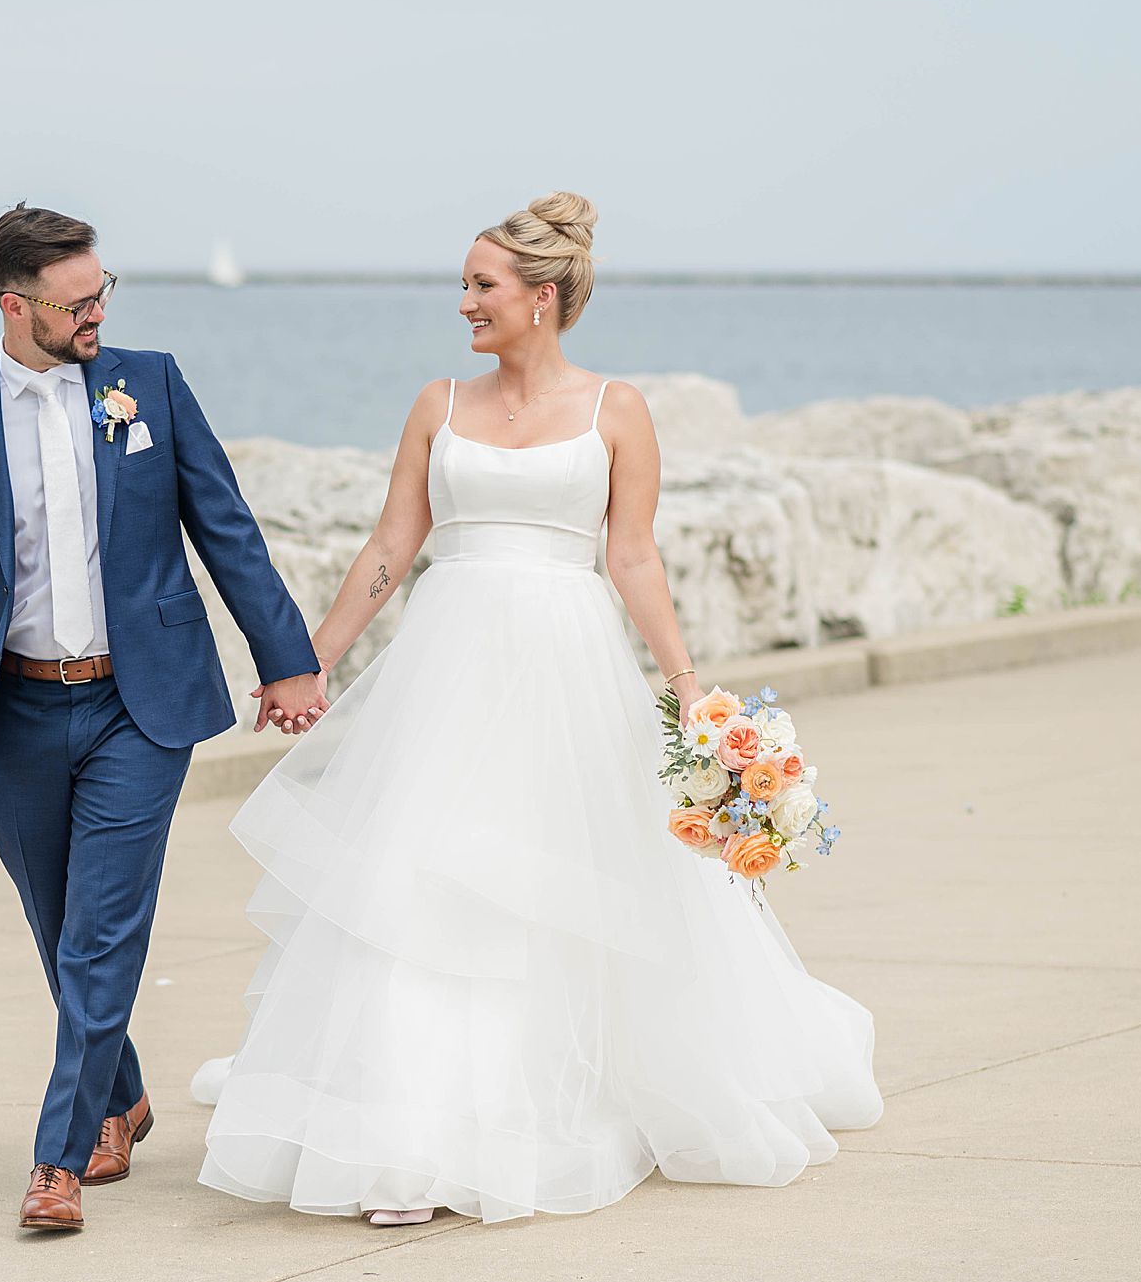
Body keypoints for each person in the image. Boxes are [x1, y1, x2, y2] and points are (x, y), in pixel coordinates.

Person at [191, 191, 884, 1227]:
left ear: (542, 297)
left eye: (482, 286)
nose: (463, 302)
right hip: (445, 668)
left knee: (547, 883)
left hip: (565, 671)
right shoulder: (438, 403)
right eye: (465, 284)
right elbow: (392, 544)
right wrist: (308, 663)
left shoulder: (617, 411)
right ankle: (408, 1138)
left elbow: (631, 554)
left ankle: (539, 1111)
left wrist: (688, 688)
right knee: (421, 884)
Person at [0, 203, 329, 1233]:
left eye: (104, 291)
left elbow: (225, 528)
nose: (97, 311)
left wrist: (287, 661)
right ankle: (121, 1095)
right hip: (14, 712)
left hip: (137, 707)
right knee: (59, 932)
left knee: (101, 933)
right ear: (16, 306)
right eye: (76, 301)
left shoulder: (150, 383)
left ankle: (54, 1161)